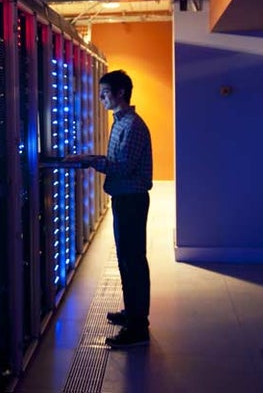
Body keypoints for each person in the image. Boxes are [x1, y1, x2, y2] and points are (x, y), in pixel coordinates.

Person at [66, 69, 153, 348]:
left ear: (120, 94)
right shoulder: (119, 123)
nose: (101, 98)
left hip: (131, 200)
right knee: (126, 259)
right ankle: (133, 313)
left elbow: (123, 167)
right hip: (123, 199)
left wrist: (88, 159)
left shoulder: (132, 126)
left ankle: (138, 328)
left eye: (105, 93)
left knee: (133, 261)